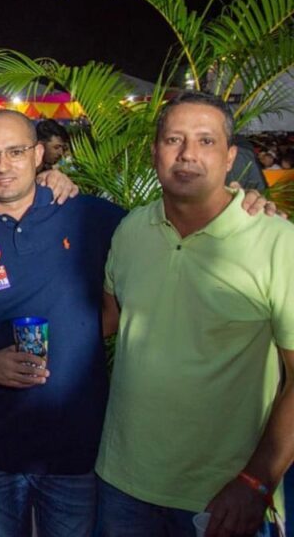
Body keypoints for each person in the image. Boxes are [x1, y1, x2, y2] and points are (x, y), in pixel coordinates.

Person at [98, 92, 294, 537]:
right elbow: (107, 319)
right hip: (123, 483)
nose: (187, 153)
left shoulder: (277, 242)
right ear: (155, 152)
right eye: (174, 140)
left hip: (223, 494)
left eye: (206, 141)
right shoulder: (131, 230)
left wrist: (256, 481)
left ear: (230, 157)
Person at [0, 110, 126, 537]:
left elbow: (167, 228)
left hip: (75, 444)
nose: (3, 165)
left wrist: (245, 201)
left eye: (15, 152)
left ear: (37, 155)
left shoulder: (88, 216)